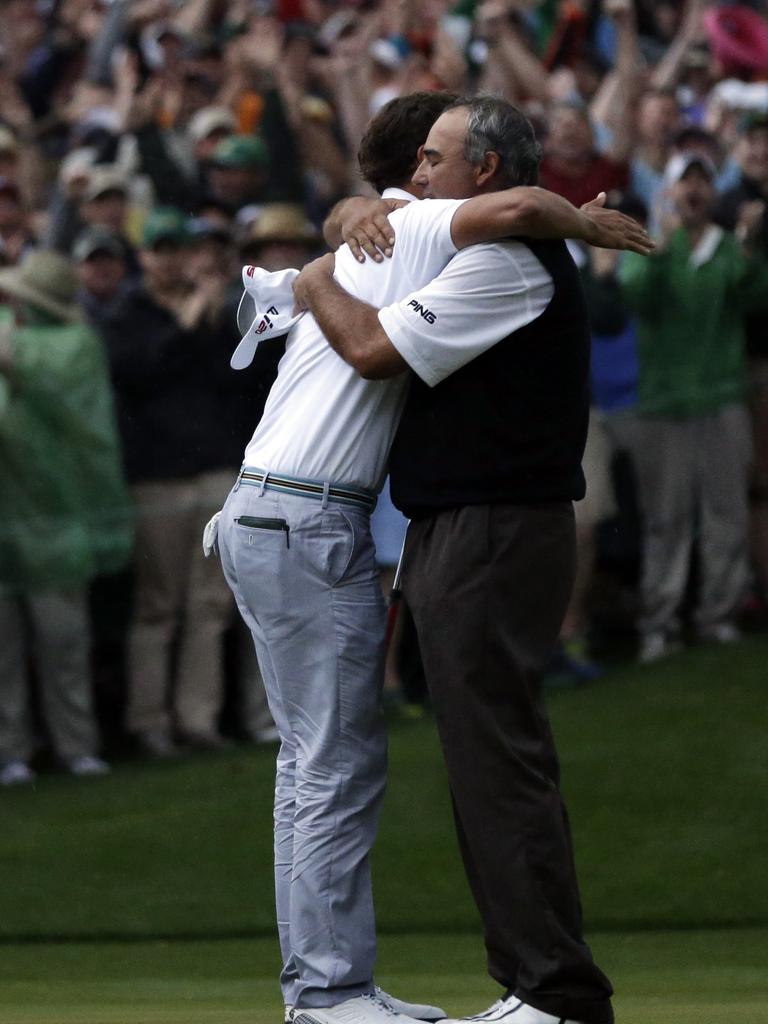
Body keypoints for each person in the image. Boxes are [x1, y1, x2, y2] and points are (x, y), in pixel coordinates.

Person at [220, 92, 650, 1024]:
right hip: (404, 524)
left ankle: (547, 993)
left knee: (463, 760)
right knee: (363, 762)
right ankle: (355, 994)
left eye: (434, 159)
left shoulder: (494, 257)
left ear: (482, 171)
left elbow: (379, 344)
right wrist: (344, 232)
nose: (414, 180)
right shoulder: (413, 230)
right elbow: (371, 212)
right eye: (409, 164)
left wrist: (305, 283)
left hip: (484, 529)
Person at [619, 151, 768, 662]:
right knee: (667, 519)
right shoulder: (652, 242)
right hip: (664, 402)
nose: (696, 188)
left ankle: (717, 615)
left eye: (704, 179)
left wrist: (749, 250)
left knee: (726, 513)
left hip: (723, 396)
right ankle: (659, 623)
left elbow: (755, 299)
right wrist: (659, 250)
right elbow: (635, 295)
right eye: (687, 180)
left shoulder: (730, 247)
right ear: (671, 192)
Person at [0, 250, 132, 786]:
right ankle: (10, 752)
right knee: (3, 649)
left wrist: (14, 359)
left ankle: (76, 746)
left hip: (57, 518)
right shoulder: (13, 334)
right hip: (8, 513)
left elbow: (61, 394)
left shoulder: (77, 346)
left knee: (63, 644)